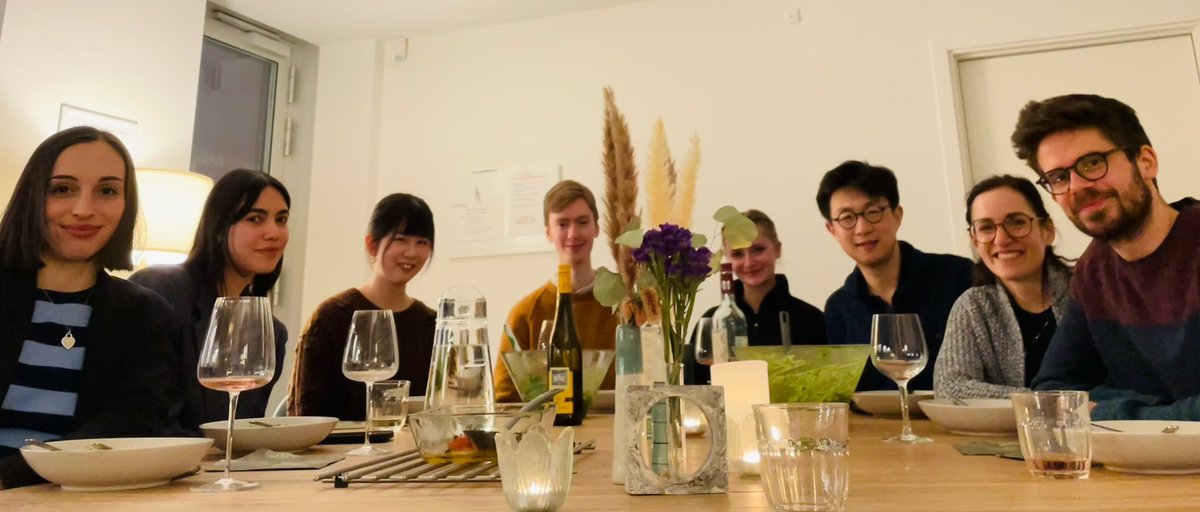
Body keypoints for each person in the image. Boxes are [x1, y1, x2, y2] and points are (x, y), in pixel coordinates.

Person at [0, 127, 177, 489]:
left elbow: (131, 423)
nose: (84, 209)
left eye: (107, 191)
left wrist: (11, 476)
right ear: (33, 196)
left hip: (74, 493)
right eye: (62, 189)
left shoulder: (146, 314)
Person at [1012, 94, 1200, 420]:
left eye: (1092, 163)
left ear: (1146, 162)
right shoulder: (1094, 270)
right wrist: (1155, 416)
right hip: (1135, 467)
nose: (1076, 187)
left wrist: (1115, 411)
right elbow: (1051, 394)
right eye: (1058, 177)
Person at [129, 169, 289, 432]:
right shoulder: (162, 290)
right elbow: (143, 415)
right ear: (219, 226)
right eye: (255, 218)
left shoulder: (271, 331)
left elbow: (240, 433)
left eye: (281, 219)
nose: (273, 232)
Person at [816, 161, 974, 391]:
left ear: (897, 215)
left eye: (872, 212)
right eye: (847, 218)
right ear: (832, 230)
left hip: (957, 422)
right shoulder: (839, 309)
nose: (862, 229)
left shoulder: (958, 276)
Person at [288, 193, 437, 419]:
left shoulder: (431, 324)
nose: (412, 252)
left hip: (409, 452)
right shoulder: (332, 317)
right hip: (339, 451)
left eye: (422, 243)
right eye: (401, 239)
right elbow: (303, 413)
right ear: (372, 245)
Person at [934, 176, 1072, 399]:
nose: (1001, 239)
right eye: (986, 228)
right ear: (975, 240)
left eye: (1016, 222)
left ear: (1047, 230)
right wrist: (1045, 402)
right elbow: (950, 387)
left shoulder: (1087, 293)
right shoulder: (973, 306)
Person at [493, 180, 618, 402]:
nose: (573, 234)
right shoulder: (524, 314)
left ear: (596, 227)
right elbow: (504, 402)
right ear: (548, 232)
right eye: (562, 224)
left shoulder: (625, 307)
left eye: (582, 222)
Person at [685, 209, 826, 384]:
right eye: (738, 254)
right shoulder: (711, 321)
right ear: (727, 257)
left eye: (758, 250)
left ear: (777, 249)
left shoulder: (811, 320)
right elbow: (695, 389)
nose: (749, 262)